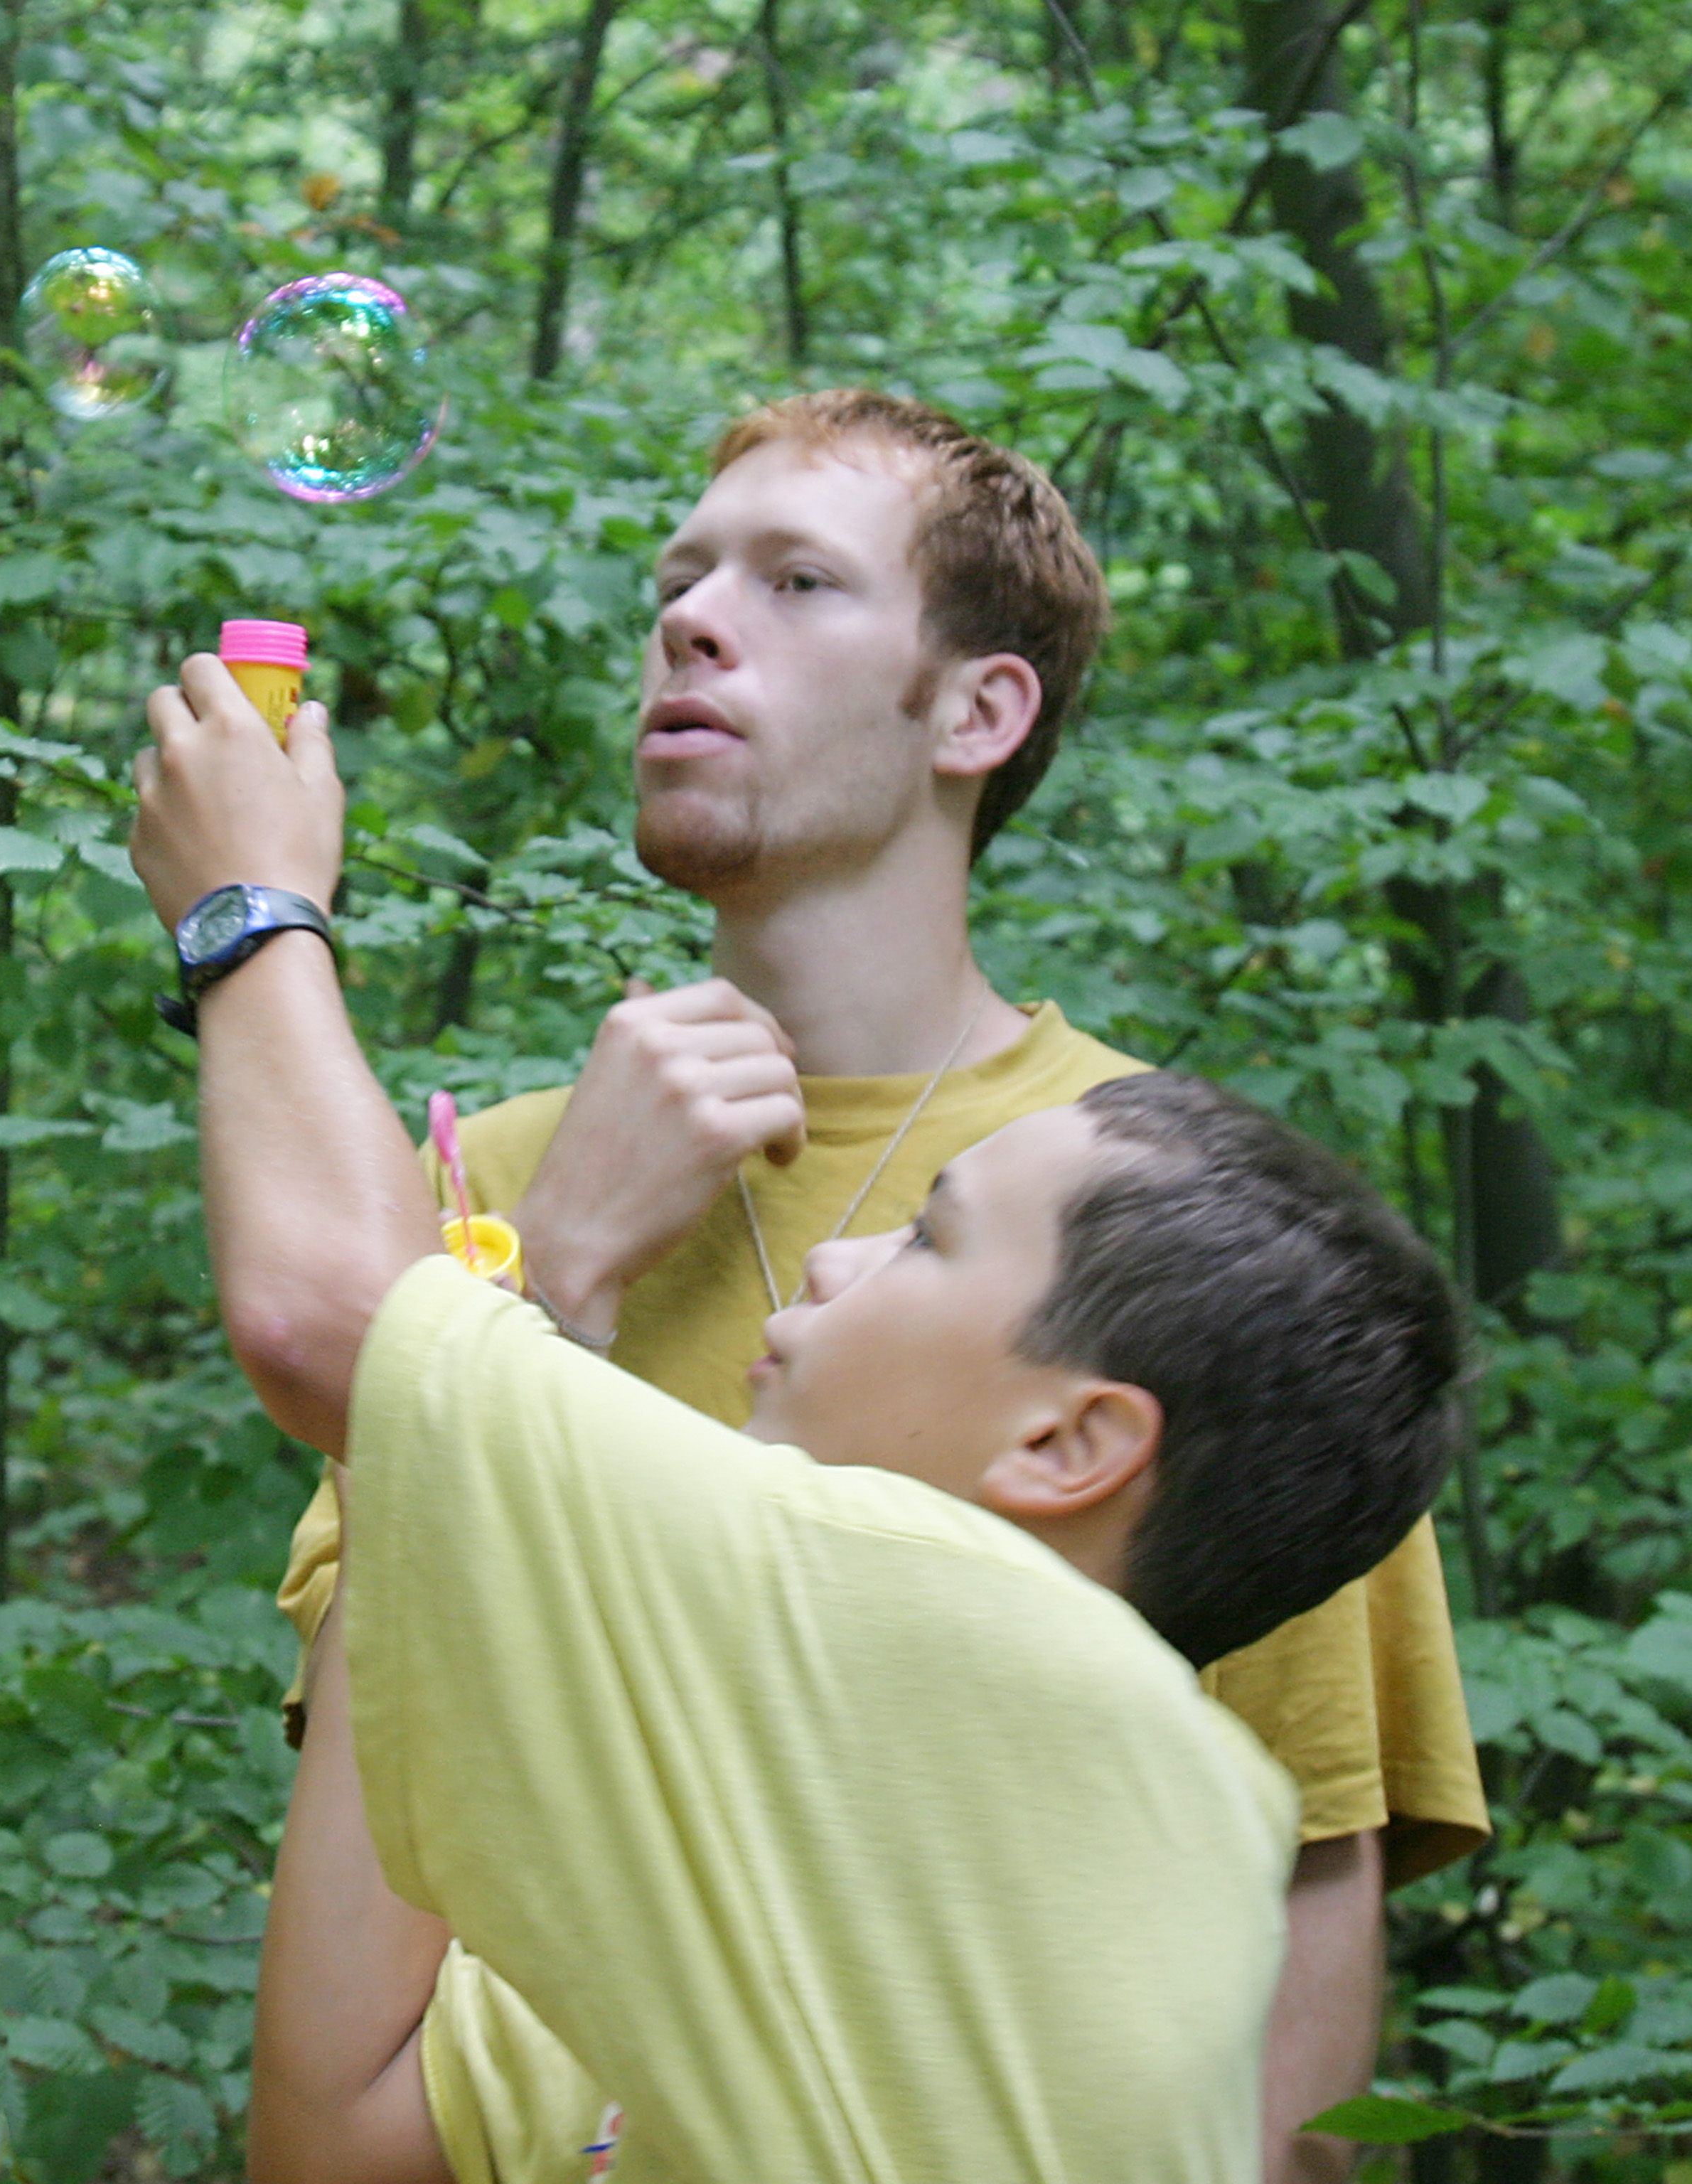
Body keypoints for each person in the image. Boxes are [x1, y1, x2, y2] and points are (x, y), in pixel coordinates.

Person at [262, 388, 1485, 2181]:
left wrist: (247, 915)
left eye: (796, 581)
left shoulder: (1170, 1222)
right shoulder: (507, 1185)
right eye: (680, 579)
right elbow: (391, 1848)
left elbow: (1298, 1910)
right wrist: (552, 1259)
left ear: (980, 711)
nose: (691, 619)